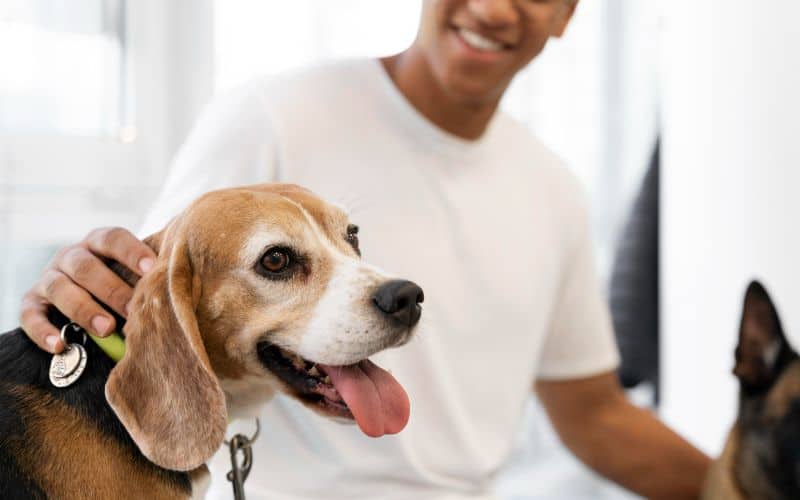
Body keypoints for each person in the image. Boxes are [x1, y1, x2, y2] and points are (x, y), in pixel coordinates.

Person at [20, 1, 711, 498]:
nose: (496, 7)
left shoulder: (556, 186)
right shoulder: (269, 115)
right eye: (281, 261)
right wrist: (71, 292)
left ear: (567, 14)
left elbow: (595, 414)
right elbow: (143, 296)